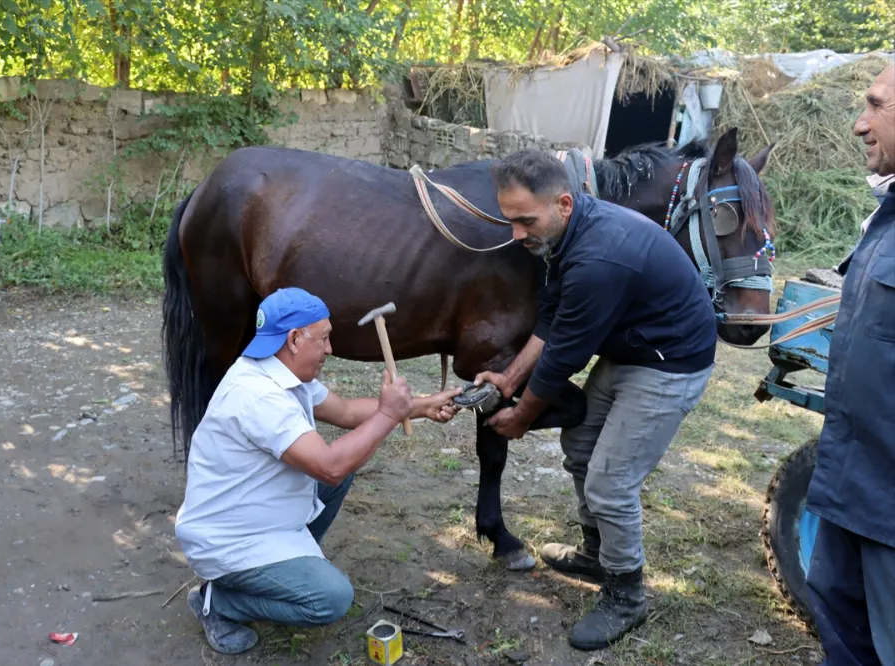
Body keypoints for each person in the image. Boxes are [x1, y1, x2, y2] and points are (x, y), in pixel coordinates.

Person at [472, 149, 719, 650]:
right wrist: (507, 378)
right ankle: (597, 552)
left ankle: (627, 594)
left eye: (525, 221)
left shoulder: (600, 256)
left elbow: (563, 355)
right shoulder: (564, 235)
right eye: (510, 220)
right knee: (581, 439)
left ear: (564, 203)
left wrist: (520, 413)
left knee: (610, 480)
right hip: (635, 349)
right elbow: (553, 319)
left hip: (669, 363)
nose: (516, 234)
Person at [174, 287, 462, 654]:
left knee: (344, 472)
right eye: (324, 338)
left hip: (258, 514)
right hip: (229, 538)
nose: (330, 349)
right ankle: (219, 602)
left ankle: (287, 572)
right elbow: (329, 466)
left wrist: (419, 406)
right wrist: (390, 414)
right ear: (294, 339)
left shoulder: (280, 371)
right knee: (331, 599)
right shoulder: (259, 395)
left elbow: (342, 412)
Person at [804, 63, 895, 666]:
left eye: (876, 105)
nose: (859, 124)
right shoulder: (884, 217)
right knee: (840, 626)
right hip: (852, 482)